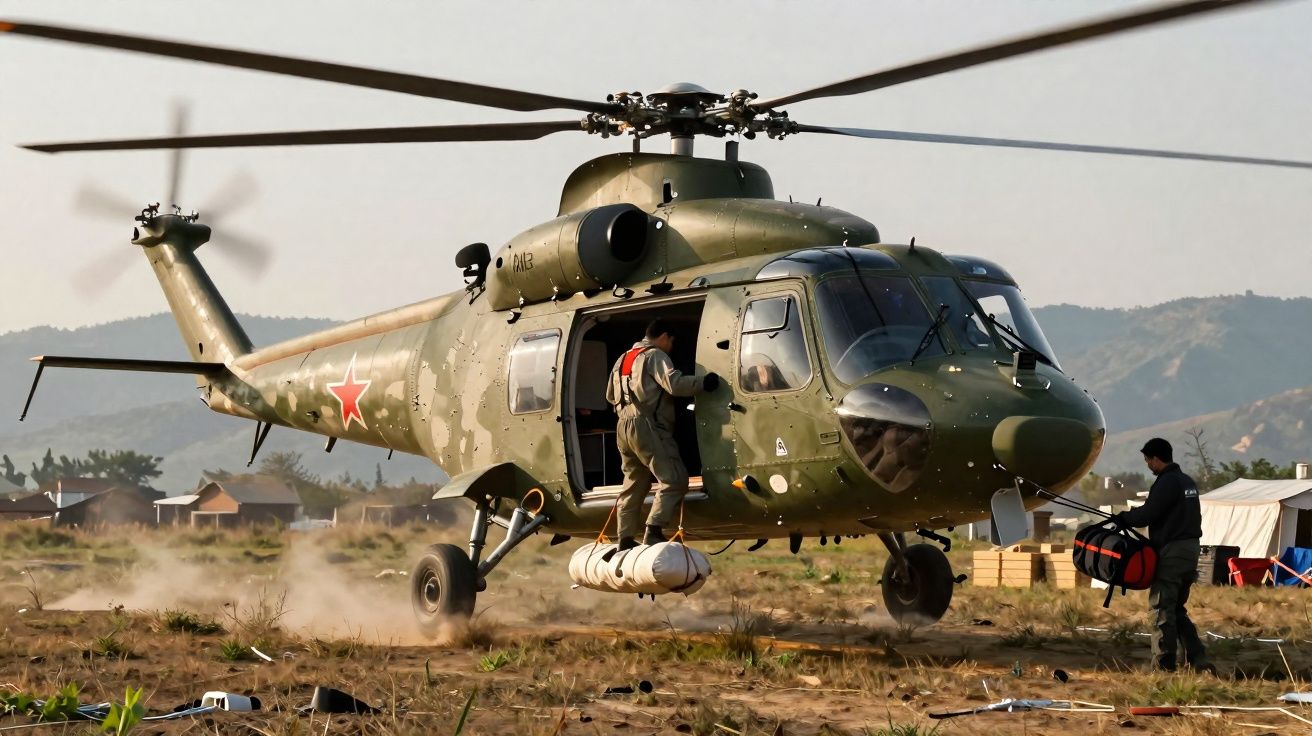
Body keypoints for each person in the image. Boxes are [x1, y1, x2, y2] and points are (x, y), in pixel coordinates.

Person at [605, 319, 719, 550]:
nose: (671, 347)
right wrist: (704, 384)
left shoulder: (622, 359)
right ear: (665, 336)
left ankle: (625, 538)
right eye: (672, 342)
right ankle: (654, 530)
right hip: (646, 426)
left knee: (634, 483)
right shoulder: (654, 355)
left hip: (622, 426)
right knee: (674, 480)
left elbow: (609, 396)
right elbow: (674, 384)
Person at [1112, 437, 1213, 674]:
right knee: (1177, 608)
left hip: (1173, 552)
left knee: (1161, 609)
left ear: (1156, 458)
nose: (1147, 464)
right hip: (1190, 549)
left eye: (1147, 460)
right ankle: (1197, 660)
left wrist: (1125, 517)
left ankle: (1163, 666)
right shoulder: (1186, 481)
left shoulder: (1167, 482)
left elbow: (1150, 513)